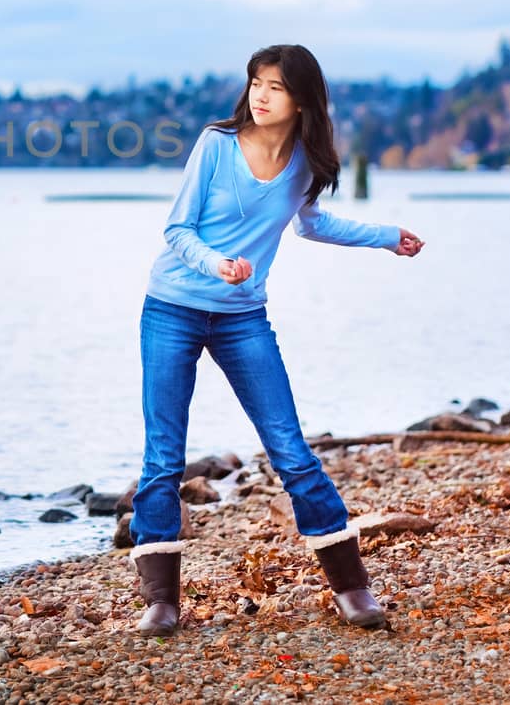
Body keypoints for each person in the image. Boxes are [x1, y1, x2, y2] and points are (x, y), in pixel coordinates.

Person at [128, 43, 425, 636]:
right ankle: (161, 602)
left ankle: (352, 590)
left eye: (276, 87)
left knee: (291, 450)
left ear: (301, 100)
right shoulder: (216, 144)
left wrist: (387, 236)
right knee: (163, 459)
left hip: (242, 319)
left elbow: (314, 224)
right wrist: (216, 265)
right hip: (172, 308)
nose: (260, 96)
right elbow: (177, 229)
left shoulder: (305, 162)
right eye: (256, 83)